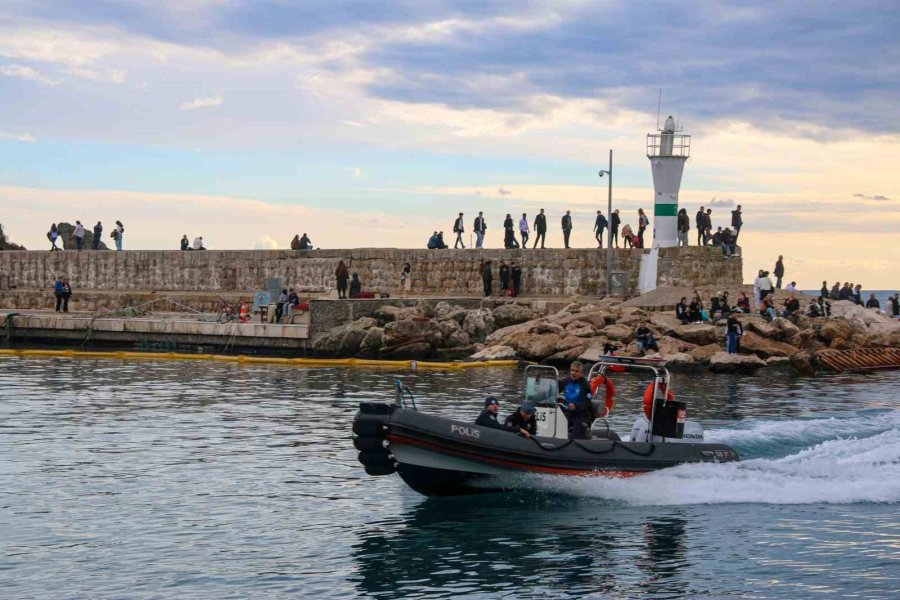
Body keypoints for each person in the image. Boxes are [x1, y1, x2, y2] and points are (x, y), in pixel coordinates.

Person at [557, 361, 593, 439]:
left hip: (582, 416)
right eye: (572, 370)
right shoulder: (566, 381)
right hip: (568, 413)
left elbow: (587, 403)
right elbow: (554, 388)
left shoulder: (585, 385)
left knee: (575, 436)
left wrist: (576, 406)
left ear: (581, 373)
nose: (573, 373)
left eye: (576, 371)